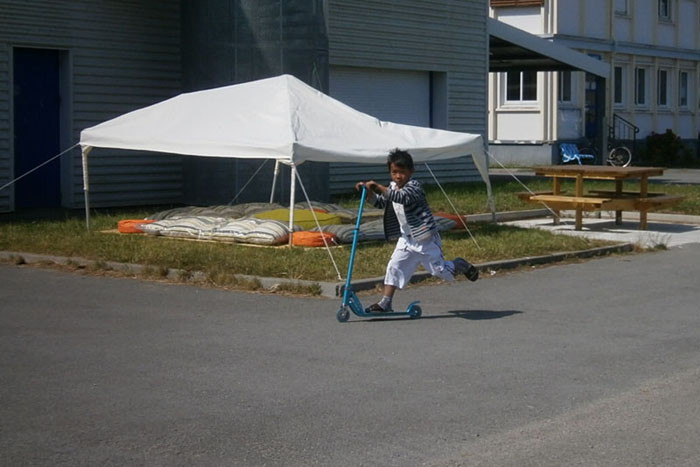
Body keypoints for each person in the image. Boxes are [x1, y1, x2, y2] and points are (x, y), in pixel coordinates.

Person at [355, 149, 478, 312]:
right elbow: (382, 203)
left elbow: (402, 197)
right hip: (406, 239)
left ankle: (458, 264)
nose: (398, 176)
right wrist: (369, 194)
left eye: (402, 172)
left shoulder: (414, 187)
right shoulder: (392, 187)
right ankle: (385, 302)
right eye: (394, 172)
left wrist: (378, 187)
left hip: (424, 238)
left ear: (411, 171)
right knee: (394, 266)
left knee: (440, 271)